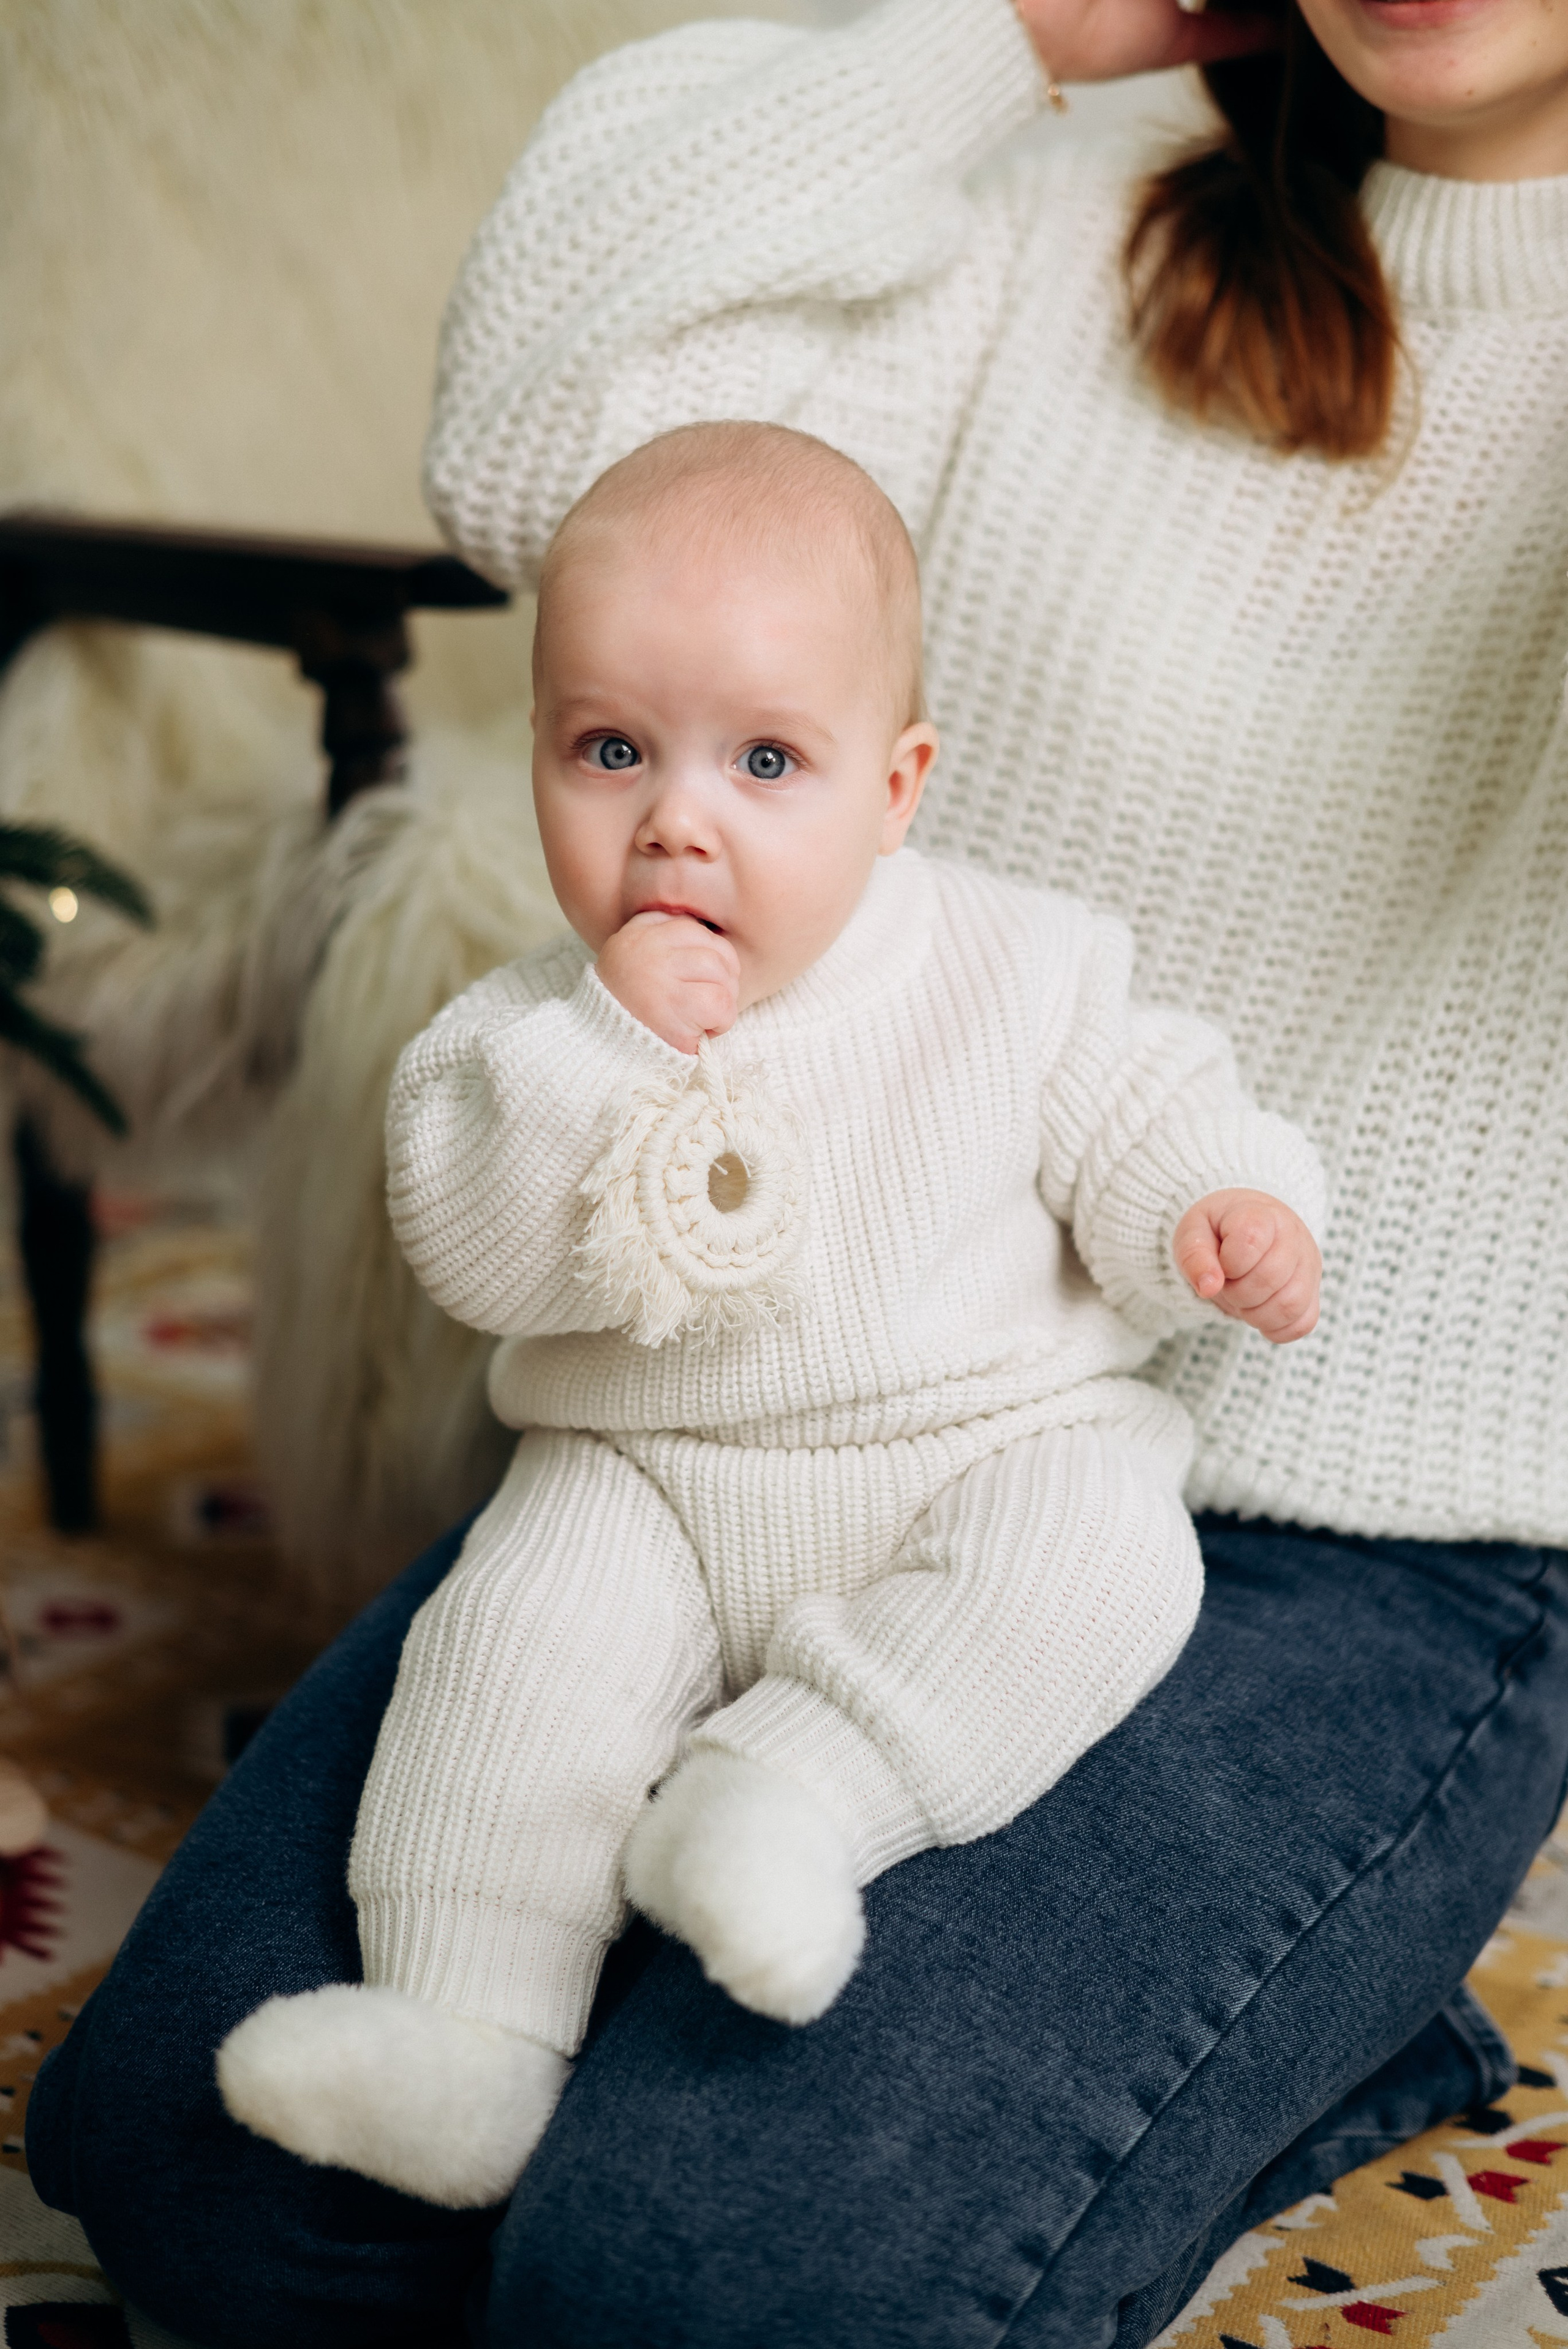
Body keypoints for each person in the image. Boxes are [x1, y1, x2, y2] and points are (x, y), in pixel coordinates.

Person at [25, 0, 1568, 2341]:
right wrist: (1029, 32)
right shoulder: (1062, 216)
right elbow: (539, 435)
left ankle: (1296, 1998)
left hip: (1373, 1537)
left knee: (692, 2274)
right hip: (788, 1392)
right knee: (200, 2153)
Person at [213, 421, 1323, 2214]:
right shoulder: (527, 1036)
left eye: (766, 759)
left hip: (978, 1449)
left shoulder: (1020, 963)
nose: (679, 815)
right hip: (645, 1476)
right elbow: (481, 1247)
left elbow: (1144, 1106)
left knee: (1108, 1560)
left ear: (899, 786)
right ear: (538, 757)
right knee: (502, 1657)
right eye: (611, 749)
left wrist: (1215, 1206)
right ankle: (467, 2035)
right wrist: (616, 1047)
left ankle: (792, 1795)